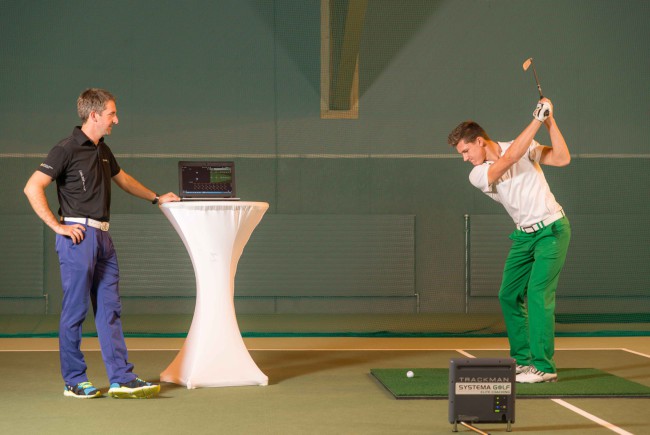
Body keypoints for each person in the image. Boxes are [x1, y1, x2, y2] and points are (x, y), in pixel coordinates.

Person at [24, 88, 180, 398]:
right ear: (94, 115)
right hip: (78, 237)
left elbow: (122, 179)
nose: (116, 120)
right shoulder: (66, 149)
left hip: (103, 239)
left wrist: (156, 198)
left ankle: (121, 378)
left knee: (110, 310)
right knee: (75, 311)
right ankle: (74, 380)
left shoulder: (103, 150)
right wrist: (59, 227)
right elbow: (32, 187)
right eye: (111, 114)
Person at [447, 98, 571, 383]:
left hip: (552, 230)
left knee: (539, 295)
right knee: (508, 294)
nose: (465, 158)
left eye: (466, 151)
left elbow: (562, 158)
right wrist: (537, 119)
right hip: (524, 236)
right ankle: (524, 361)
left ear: (479, 141)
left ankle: (544, 366)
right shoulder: (477, 174)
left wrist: (549, 121)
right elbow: (509, 158)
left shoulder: (524, 146)